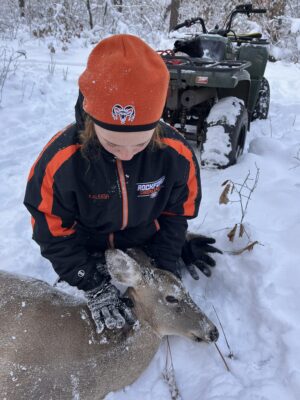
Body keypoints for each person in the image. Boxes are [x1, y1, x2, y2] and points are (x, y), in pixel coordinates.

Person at [24, 34, 221, 334]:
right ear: (90, 122)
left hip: (144, 246)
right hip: (87, 252)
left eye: (141, 143)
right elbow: (52, 232)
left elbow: (175, 215)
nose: (127, 154)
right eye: (112, 143)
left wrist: (166, 263)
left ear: (156, 127)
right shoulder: (61, 163)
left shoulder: (176, 155)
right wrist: (90, 281)